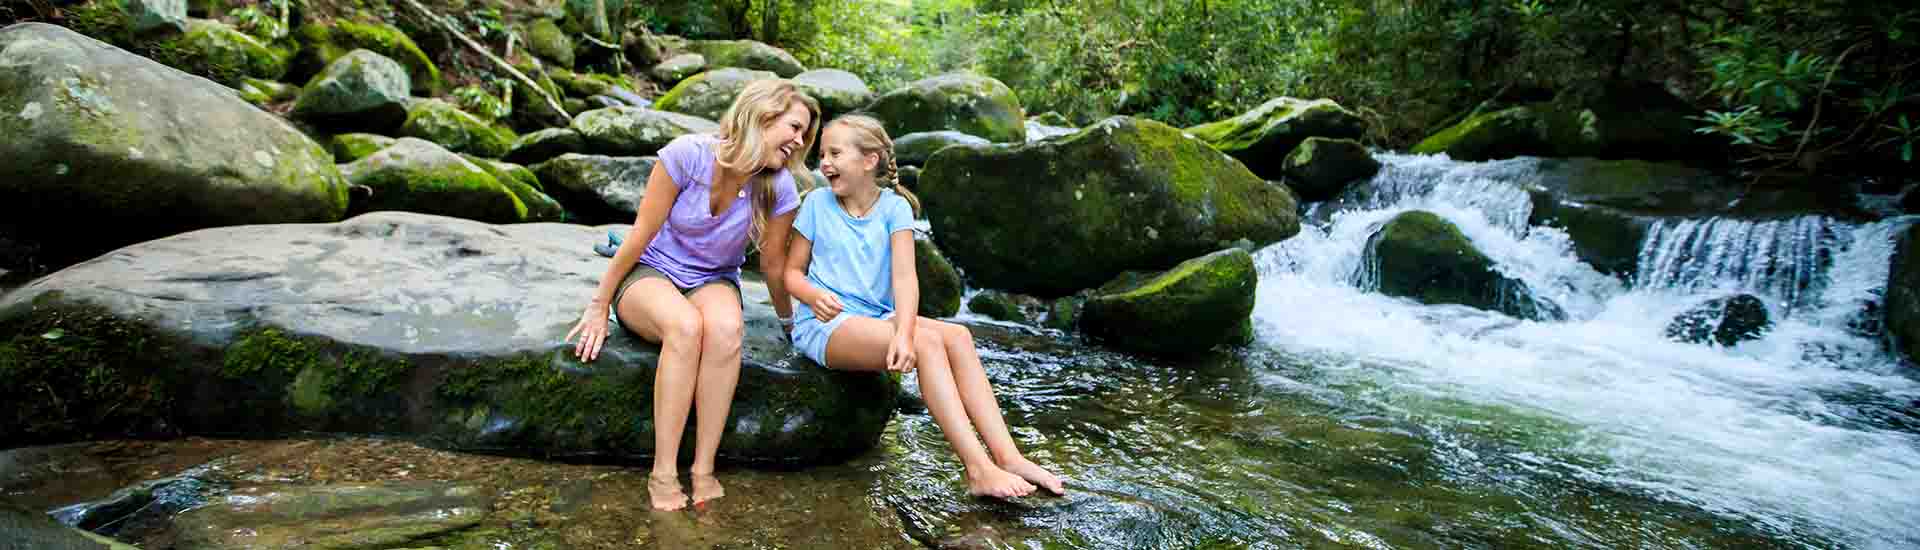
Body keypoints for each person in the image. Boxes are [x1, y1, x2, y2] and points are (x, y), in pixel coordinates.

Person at [565, 79, 818, 511]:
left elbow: (773, 265)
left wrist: (792, 324)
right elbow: (640, 234)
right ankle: (663, 472)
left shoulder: (780, 187)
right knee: (684, 327)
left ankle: (703, 468)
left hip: (714, 279)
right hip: (652, 271)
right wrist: (599, 304)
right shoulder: (686, 155)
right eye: (794, 128)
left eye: (805, 135)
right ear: (762, 115)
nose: (799, 142)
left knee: (725, 329)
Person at [782, 114, 1065, 499]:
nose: (824, 163)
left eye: (834, 153)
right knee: (928, 344)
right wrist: (814, 297)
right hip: (824, 324)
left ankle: (1007, 455)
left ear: (870, 160)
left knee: (958, 336)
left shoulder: (895, 208)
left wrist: (902, 331)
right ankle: (978, 469)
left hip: (876, 317)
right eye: (822, 155)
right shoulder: (816, 203)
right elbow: (791, 274)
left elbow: (904, 278)